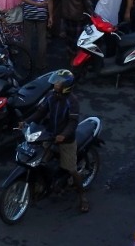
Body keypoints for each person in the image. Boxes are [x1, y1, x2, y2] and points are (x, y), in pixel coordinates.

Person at [31, 69, 89, 213]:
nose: (55, 84)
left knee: (72, 169)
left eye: (58, 83)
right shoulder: (51, 96)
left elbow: (73, 122)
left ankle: (83, 197)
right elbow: (40, 112)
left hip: (66, 140)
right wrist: (26, 122)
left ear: (66, 86)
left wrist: (63, 135)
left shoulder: (72, 101)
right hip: (50, 136)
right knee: (38, 161)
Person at [20, 0, 53, 72]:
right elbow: (49, 0)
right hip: (42, 14)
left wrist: (34, 3)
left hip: (29, 13)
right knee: (42, 39)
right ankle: (41, 63)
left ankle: (26, 62)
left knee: (27, 39)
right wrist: (51, 17)